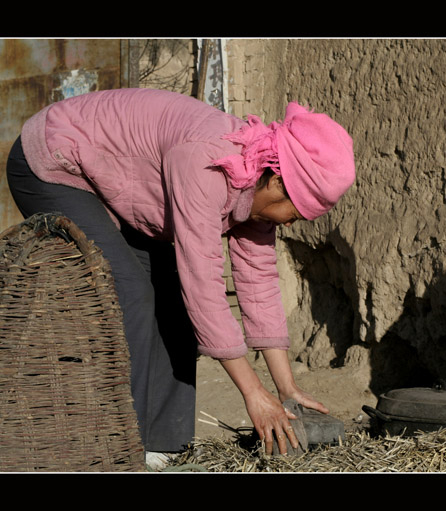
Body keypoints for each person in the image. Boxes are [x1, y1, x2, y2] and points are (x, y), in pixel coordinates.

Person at [6, 88, 356, 463]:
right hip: (55, 160)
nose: (291, 222)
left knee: (171, 298)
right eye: (296, 213)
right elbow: (203, 285)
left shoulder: (258, 187)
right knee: (130, 293)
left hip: (118, 183)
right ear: (276, 182)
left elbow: (259, 282)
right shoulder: (206, 163)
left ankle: (163, 449)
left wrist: (287, 389)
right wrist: (253, 393)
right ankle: (122, 446)